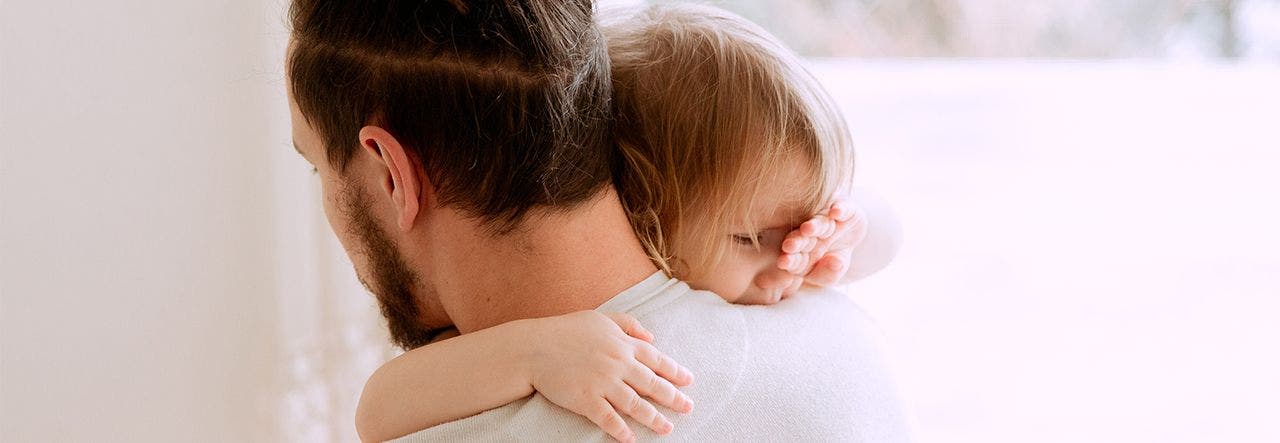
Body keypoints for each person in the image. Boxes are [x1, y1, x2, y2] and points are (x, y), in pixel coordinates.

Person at [285, 0, 910, 441]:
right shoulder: (846, 346)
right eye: (758, 239)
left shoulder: (471, 422)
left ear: (390, 172)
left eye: (316, 168)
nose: (783, 269)